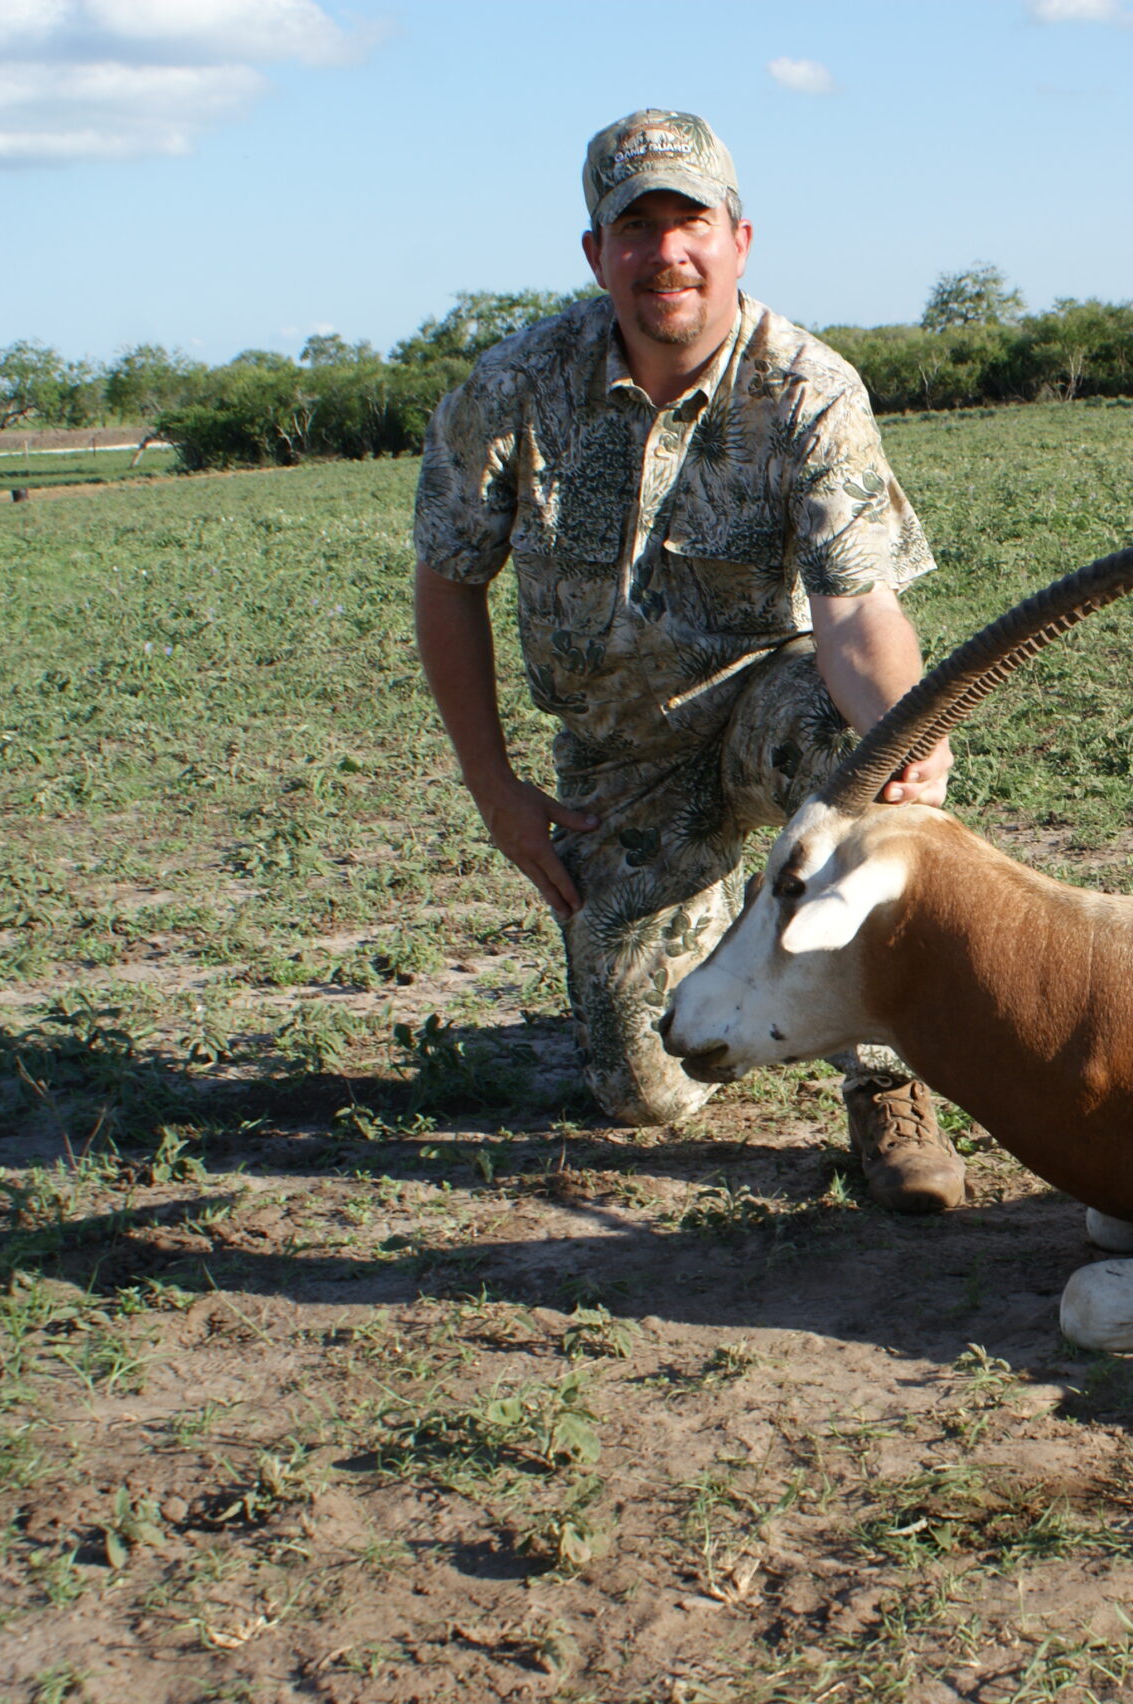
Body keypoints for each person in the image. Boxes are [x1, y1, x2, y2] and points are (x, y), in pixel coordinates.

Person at [411, 109, 966, 1213]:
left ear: (739, 239)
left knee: (855, 750)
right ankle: (708, 913)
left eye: (691, 221)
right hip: (624, 768)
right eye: (637, 227)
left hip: (763, 711)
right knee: (642, 1094)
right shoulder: (513, 389)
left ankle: (891, 1082)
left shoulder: (807, 388)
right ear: (596, 253)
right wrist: (493, 788)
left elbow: (854, 610)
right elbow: (447, 580)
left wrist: (907, 734)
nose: (667, 250)